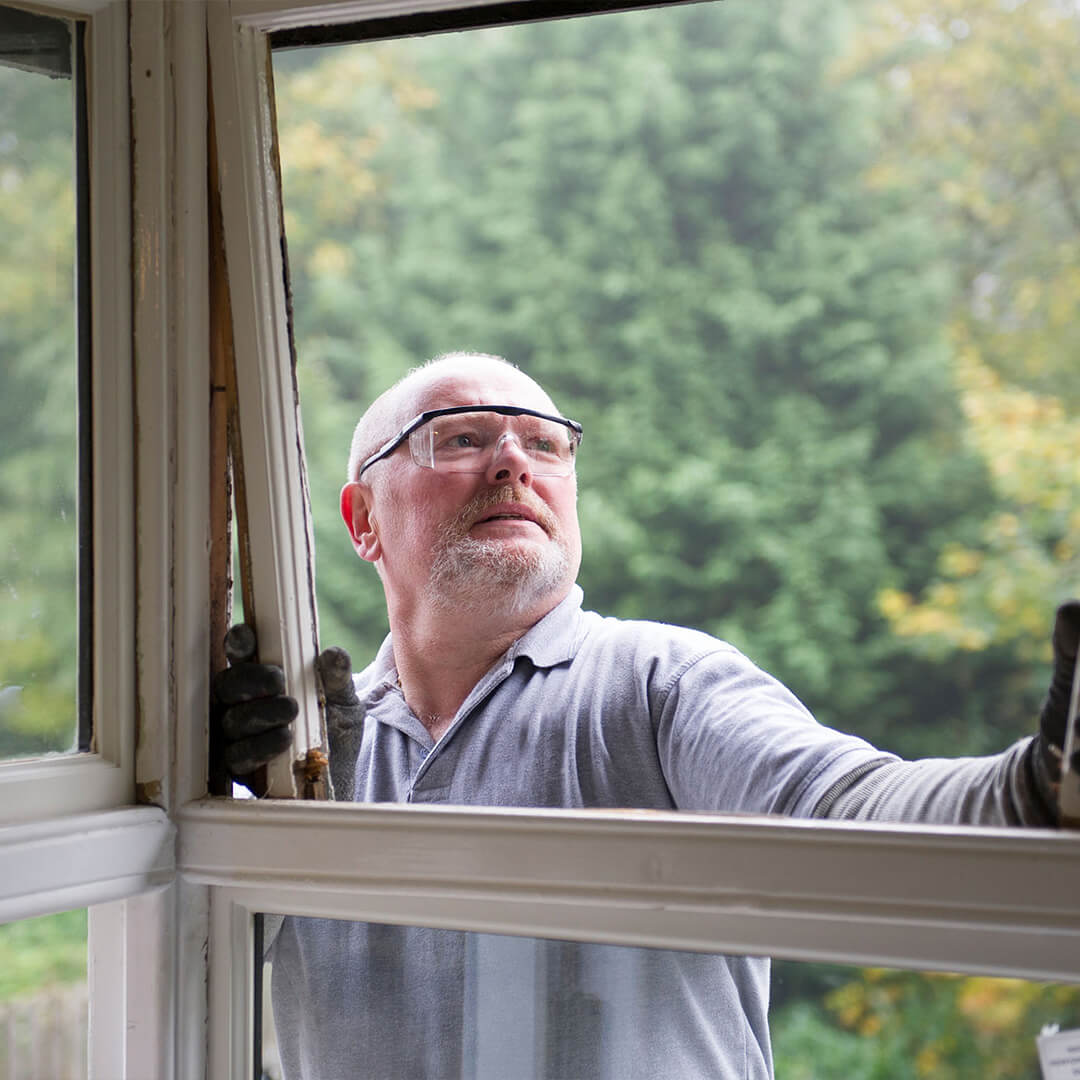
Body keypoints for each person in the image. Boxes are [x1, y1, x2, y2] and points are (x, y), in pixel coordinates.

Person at [215, 351, 1079, 1080]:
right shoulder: (308, 756)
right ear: (363, 518)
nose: (514, 461)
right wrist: (217, 802)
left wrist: (1036, 784)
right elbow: (194, 978)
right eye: (463, 438)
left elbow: (849, 811)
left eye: (547, 445)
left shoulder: (661, 683)